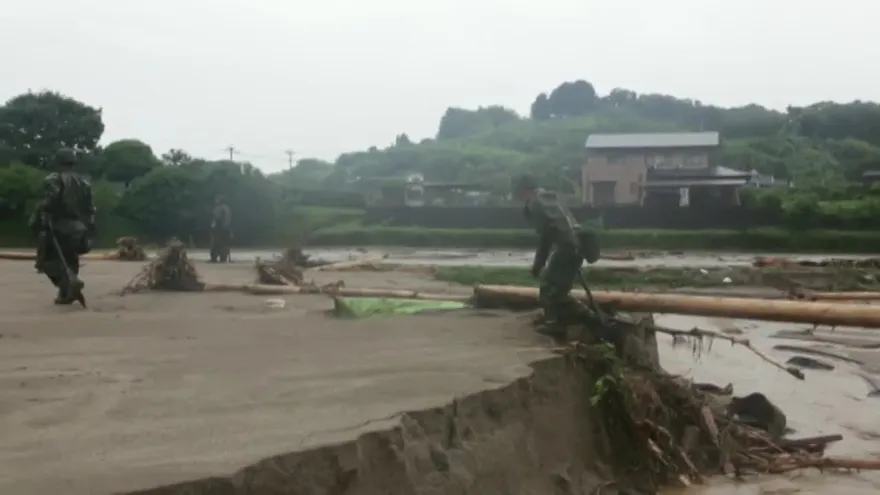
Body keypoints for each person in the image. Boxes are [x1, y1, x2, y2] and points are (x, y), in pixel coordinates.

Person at [513, 174, 600, 339]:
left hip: (567, 249)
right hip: (576, 246)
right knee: (558, 289)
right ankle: (568, 319)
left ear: (524, 191)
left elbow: (546, 239)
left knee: (548, 289)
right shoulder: (551, 198)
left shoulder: (536, 204)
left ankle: (564, 323)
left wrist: (537, 266)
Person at [32, 148, 96, 305]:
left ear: (58, 162)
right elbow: (90, 209)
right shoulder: (85, 183)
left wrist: (42, 213)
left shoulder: (54, 179)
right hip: (78, 228)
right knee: (71, 261)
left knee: (45, 262)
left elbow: (50, 201)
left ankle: (68, 284)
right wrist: (88, 228)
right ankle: (66, 294)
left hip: (59, 226)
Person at [209, 195, 232, 263]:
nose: (216, 200)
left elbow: (227, 218)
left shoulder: (224, 208)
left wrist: (225, 226)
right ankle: (214, 257)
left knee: (222, 243)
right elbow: (214, 218)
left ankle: (222, 257)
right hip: (217, 227)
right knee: (215, 243)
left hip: (221, 227)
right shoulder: (217, 208)